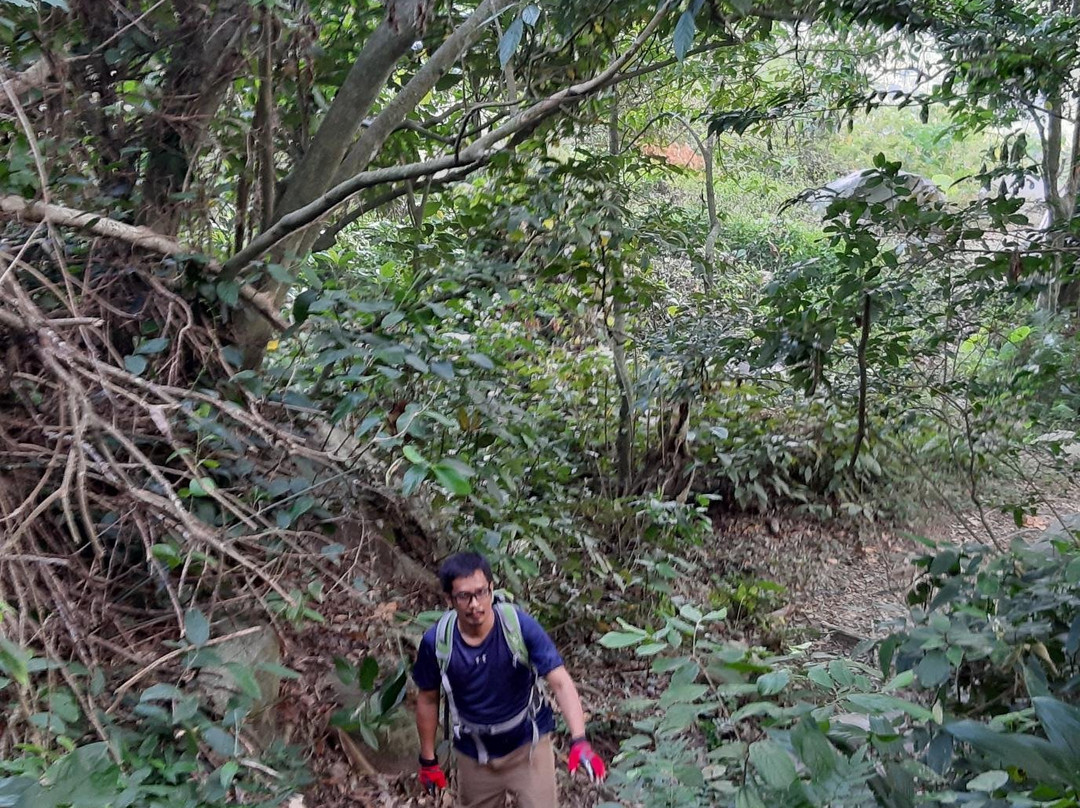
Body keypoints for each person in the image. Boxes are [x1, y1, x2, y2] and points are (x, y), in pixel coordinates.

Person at [412, 551, 606, 807]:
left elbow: (559, 680)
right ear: (449, 599)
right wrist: (428, 760)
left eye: (481, 592)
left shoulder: (518, 627)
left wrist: (579, 740)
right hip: (475, 753)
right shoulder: (437, 642)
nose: (475, 604)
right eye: (464, 596)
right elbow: (427, 698)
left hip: (528, 745)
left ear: (491, 589)